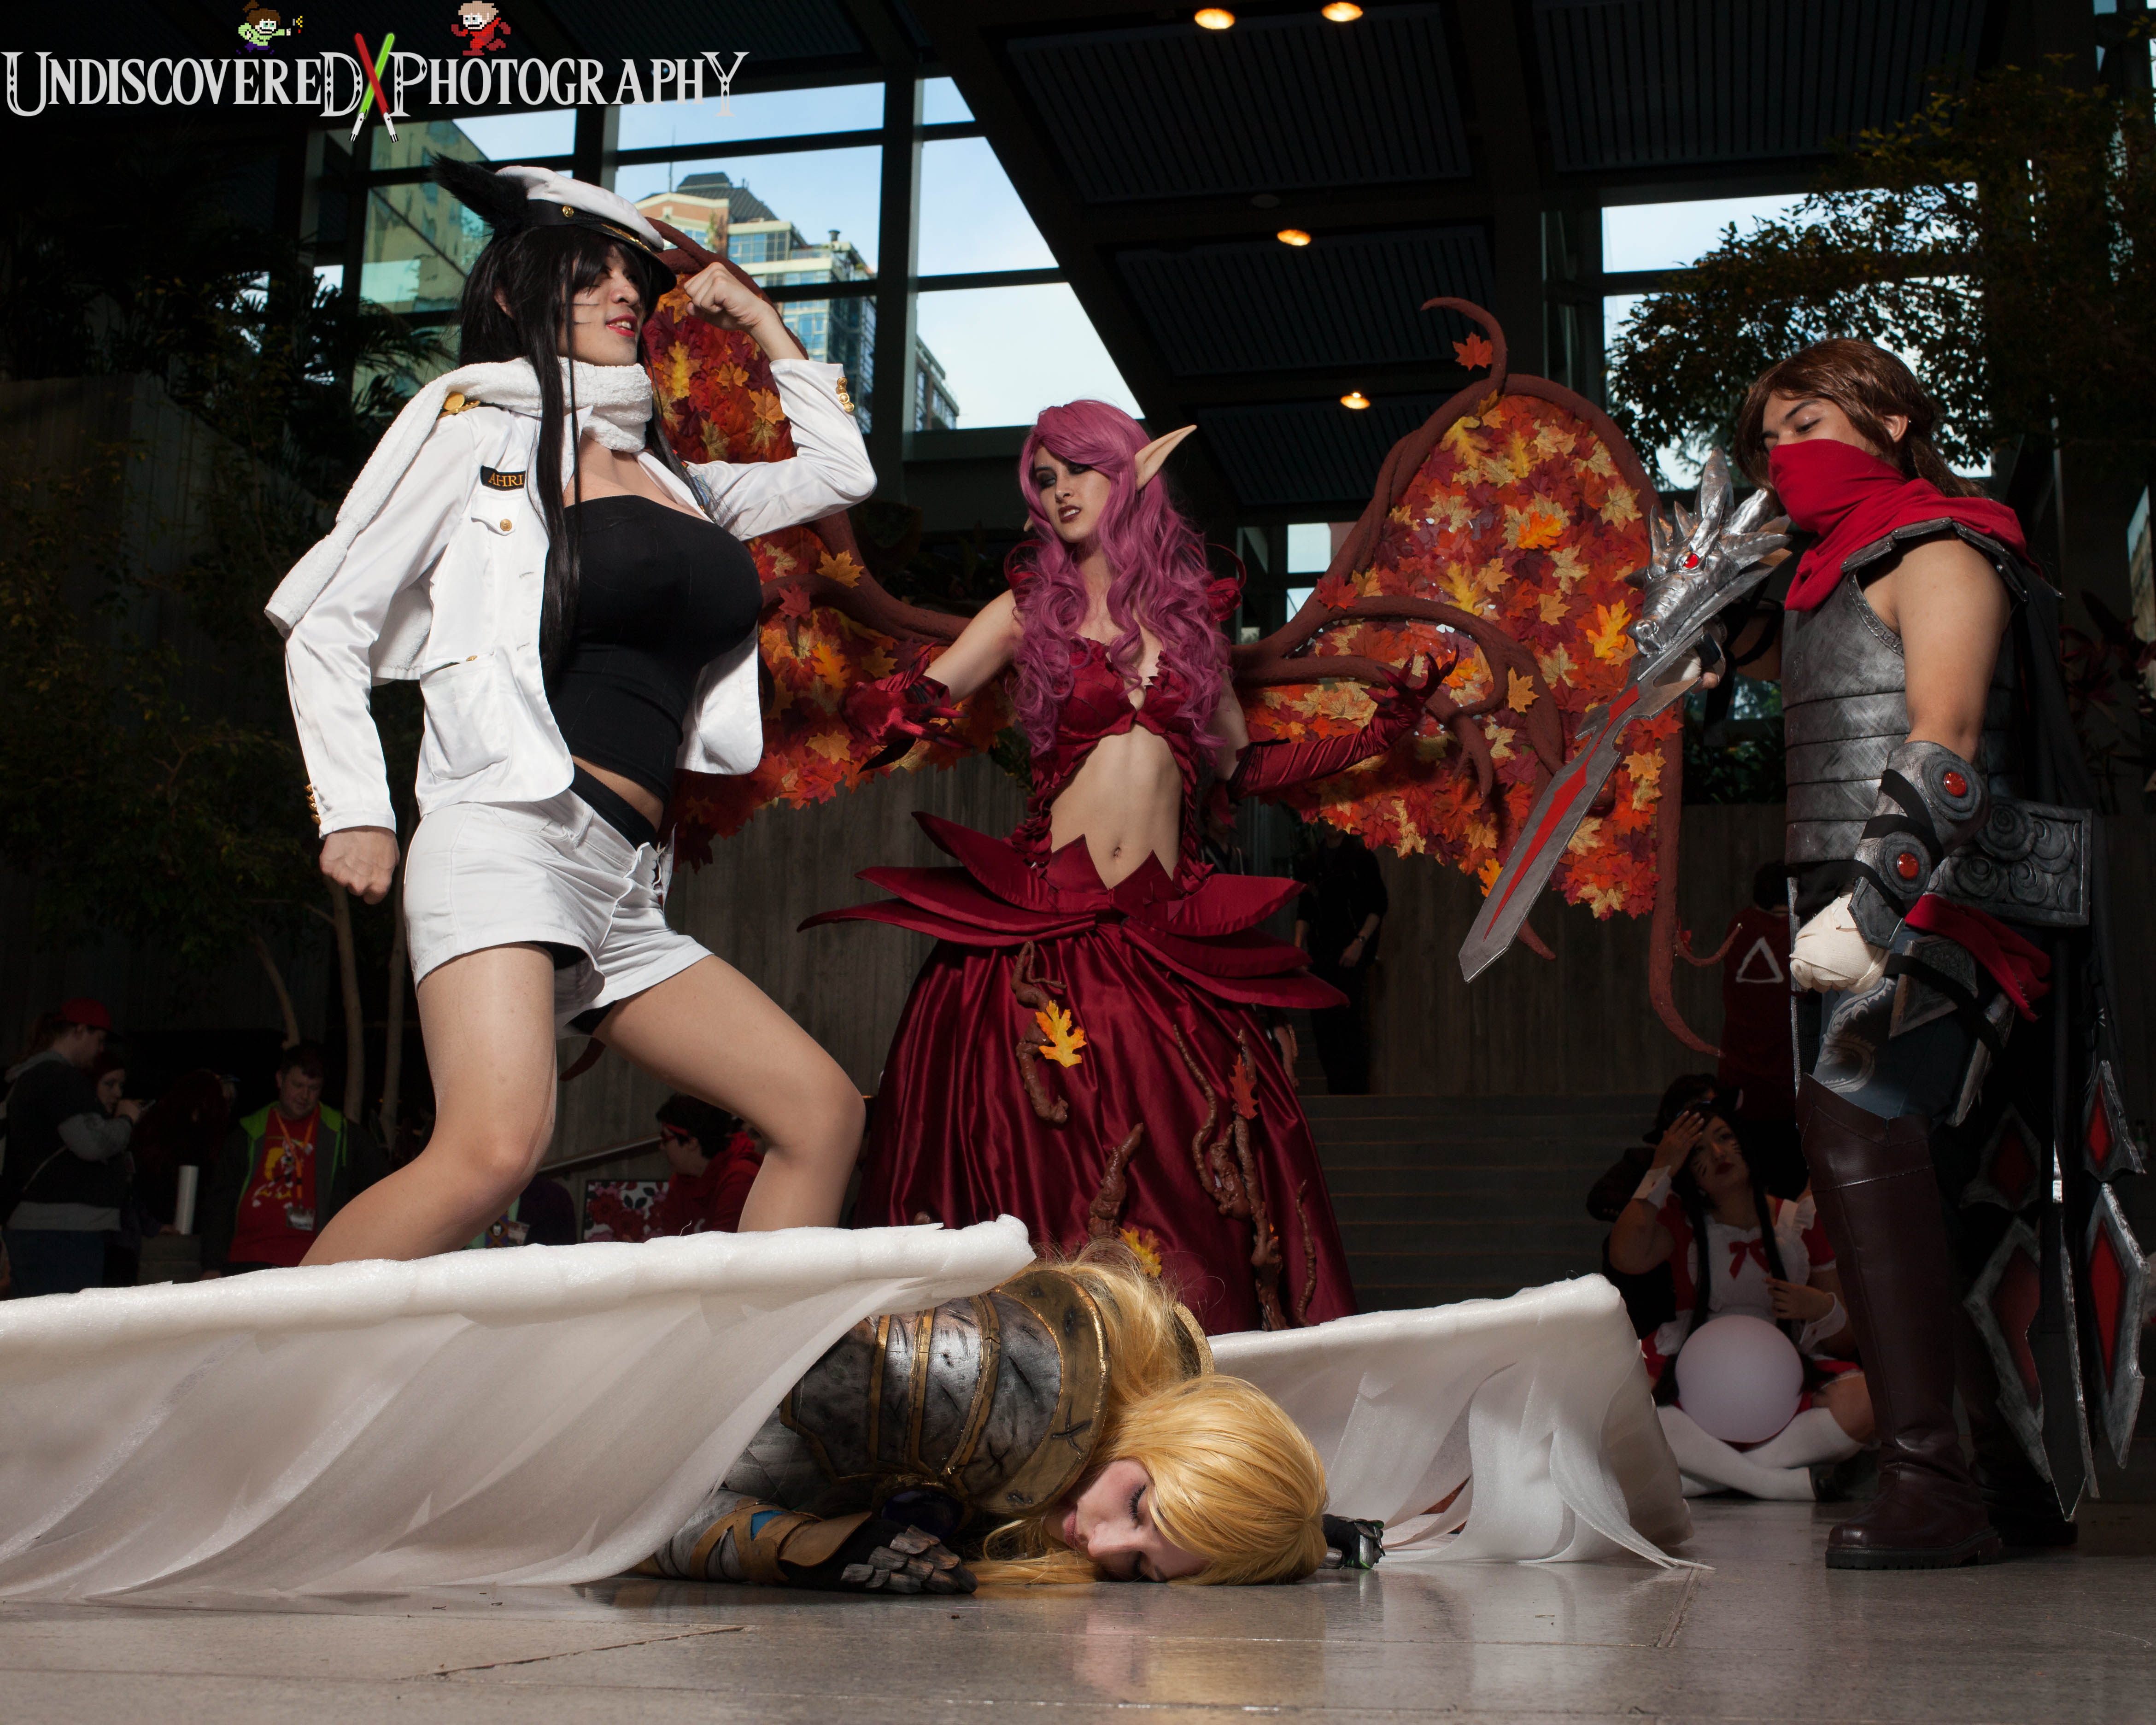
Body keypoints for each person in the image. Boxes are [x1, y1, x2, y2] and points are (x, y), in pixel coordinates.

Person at [267, 159, 876, 1267]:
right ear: (516, 293)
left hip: (623, 879)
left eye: (634, 277)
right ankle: (246, 1375)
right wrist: (354, 809)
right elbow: (326, 624)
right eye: (590, 273)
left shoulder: (683, 480)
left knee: (822, 1114)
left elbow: (843, 471)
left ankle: (741, 1379)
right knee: (493, 1151)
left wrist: (758, 319)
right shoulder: (479, 434)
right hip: (506, 833)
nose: (624, 292)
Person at [814, 400, 1431, 1332]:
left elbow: (1244, 767)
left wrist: (1376, 736)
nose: (1060, 490)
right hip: (1046, 931)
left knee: (1198, 1170)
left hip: (1162, 939)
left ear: (1128, 476)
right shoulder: (1027, 612)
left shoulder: (1191, 627)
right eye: (1045, 477)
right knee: (1038, 1171)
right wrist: (893, 710)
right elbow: (928, 693)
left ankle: (1187, 1368)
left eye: (1079, 470)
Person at [1705, 338, 2138, 1565]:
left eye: (1808, 423)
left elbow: (1946, 736)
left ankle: (1933, 1483)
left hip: (1939, 905)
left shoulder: (1942, 549)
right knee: (1915, 1186)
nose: (1784, 454)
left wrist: (1875, 904)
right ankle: (1997, 1480)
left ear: (1892, 420)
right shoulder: (1816, 582)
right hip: (1841, 904)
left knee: (1864, 1144)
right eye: (1769, 439)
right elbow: (1720, 657)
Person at [641, 1247, 1330, 1592]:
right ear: (1166, 1434)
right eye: (1139, 1507)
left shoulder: (1079, 1478)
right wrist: (802, 1546)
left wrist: (1280, 1540)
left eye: (1141, 1567)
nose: (1101, 1547)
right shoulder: (1001, 1377)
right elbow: (643, 1511)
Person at [1605, 1084, 1872, 1501]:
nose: (1718, 1154)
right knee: (1617, 1403)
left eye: (1726, 1138)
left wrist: (1820, 1307)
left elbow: (1845, 1340)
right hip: (1688, 1369)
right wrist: (1661, 1169)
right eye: (1698, 1152)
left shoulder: (1799, 1221)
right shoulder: (1680, 1222)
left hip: (1785, 1373)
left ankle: (1711, 1477)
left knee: (1866, 1403)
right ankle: (1770, 1482)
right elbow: (1625, 1255)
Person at [200, 1043, 387, 1277]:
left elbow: (380, 1190)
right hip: (246, 1262)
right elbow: (220, 1202)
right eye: (298, 1085)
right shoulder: (250, 1131)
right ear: (280, 1079)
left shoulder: (342, 1133)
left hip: (315, 1265)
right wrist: (212, 1265)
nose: (304, 1096)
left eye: (313, 1088)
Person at [0, 1001, 141, 1297]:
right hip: (61, 1233)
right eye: (99, 1040)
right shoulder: (58, 1077)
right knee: (65, 1322)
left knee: (38, 1319)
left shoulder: (29, 1078)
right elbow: (92, 1144)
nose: (100, 1050)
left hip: (40, 1227)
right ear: (80, 1030)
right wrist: (126, 1120)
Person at [1293, 828, 1388, 1095]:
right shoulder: (1311, 862)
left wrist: (1360, 942)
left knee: (1351, 1023)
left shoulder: (1361, 857)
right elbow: (1304, 911)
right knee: (1323, 1026)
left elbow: (1378, 905)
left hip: (1351, 952)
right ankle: (1336, 1088)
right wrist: (1298, 950)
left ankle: (1356, 1091)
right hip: (1320, 953)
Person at [648, 1093, 764, 1237]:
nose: (661, 1147)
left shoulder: (741, 1177)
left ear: (691, 1143)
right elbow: (671, 1242)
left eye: (665, 1139)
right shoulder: (680, 1182)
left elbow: (725, 1245)